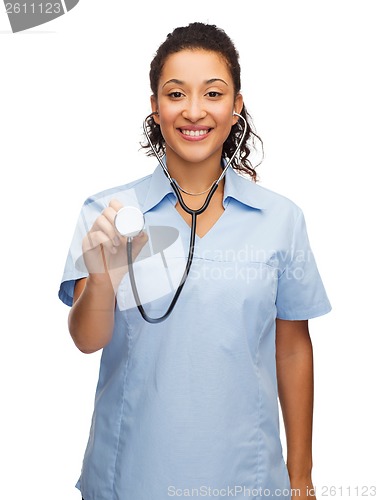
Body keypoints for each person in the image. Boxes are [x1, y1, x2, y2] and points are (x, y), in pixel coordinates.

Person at [59, 22, 331, 500]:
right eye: (175, 93)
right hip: (132, 476)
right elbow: (87, 339)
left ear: (235, 107)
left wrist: (301, 478)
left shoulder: (281, 219)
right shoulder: (107, 213)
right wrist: (102, 276)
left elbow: (291, 350)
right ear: (155, 108)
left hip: (243, 477)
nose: (193, 110)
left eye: (212, 93)